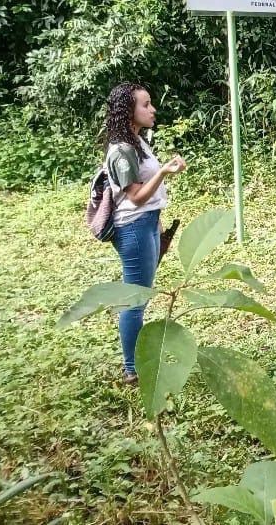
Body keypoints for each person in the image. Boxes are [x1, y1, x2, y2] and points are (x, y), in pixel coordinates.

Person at [103, 83, 186, 385]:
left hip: (147, 223)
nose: (152, 109)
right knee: (135, 300)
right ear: (128, 110)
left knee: (140, 296)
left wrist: (159, 218)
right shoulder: (122, 150)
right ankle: (132, 369)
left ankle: (135, 364)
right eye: (146, 104)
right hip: (134, 227)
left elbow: (147, 197)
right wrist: (164, 172)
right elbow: (135, 197)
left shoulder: (137, 141)